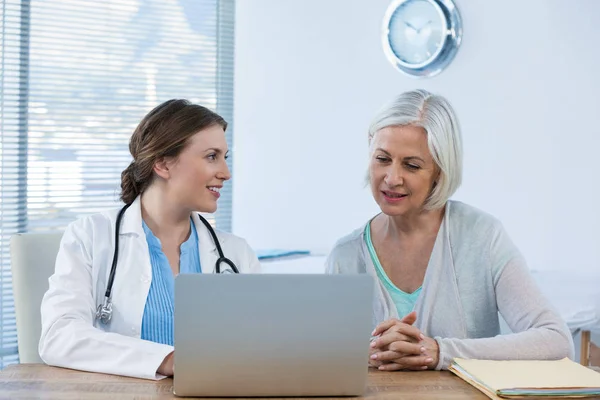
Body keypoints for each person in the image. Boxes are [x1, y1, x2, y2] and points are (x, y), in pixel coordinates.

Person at [325, 89, 574, 371]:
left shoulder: (482, 237)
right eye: (382, 159)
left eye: (412, 165)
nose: (392, 178)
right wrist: (369, 353)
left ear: (440, 171)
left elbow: (557, 342)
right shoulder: (345, 256)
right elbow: (325, 355)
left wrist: (441, 351)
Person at [39, 99, 261, 380]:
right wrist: (168, 360)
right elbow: (59, 336)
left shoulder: (236, 253)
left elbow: (260, 346)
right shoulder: (92, 236)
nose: (226, 173)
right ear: (163, 164)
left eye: (224, 157)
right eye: (211, 156)